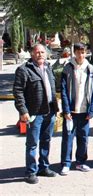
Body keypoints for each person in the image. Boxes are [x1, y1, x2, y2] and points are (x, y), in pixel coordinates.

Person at [13, 44, 59, 184]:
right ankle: (30, 172)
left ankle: (43, 167)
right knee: (32, 144)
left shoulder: (48, 67)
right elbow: (18, 92)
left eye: (42, 52)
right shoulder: (24, 70)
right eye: (37, 52)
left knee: (46, 140)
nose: (40, 54)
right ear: (32, 54)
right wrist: (23, 111)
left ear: (46, 54)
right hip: (34, 113)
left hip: (50, 111)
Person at [60, 42, 93, 175]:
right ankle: (66, 163)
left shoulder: (91, 69)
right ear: (74, 53)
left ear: (86, 52)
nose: (81, 55)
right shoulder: (68, 68)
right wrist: (66, 110)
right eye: (78, 52)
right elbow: (63, 90)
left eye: (83, 52)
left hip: (84, 112)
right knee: (68, 137)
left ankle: (81, 162)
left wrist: (91, 110)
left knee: (83, 138)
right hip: (71, 111)